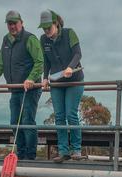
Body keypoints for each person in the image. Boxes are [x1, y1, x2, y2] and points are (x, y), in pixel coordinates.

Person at [0, 10, 44, 161]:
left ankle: (30, 156)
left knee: (27, 121)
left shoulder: (30, 38)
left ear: (21, 23)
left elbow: (40, 61)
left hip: (30, 88)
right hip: (15, 89)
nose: (12, 26)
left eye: (15, 23)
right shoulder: (6, 41)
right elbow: (0, 62)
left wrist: (31, 79)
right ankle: (21, 154)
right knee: (14, 122)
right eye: (9, 24)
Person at [39, 10, 85, 163]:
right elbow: (46, 61)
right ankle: (63, 150)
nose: (46, 31)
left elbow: (78, 54)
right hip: (56, 82)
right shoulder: (43, 40)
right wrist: (45, 78)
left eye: (49, 28)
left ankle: (76, 150)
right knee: (59, 116)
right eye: (44, 28)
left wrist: (70, 67)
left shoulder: (69, 33)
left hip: (74, 80)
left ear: (56, 24)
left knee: (71, 114)